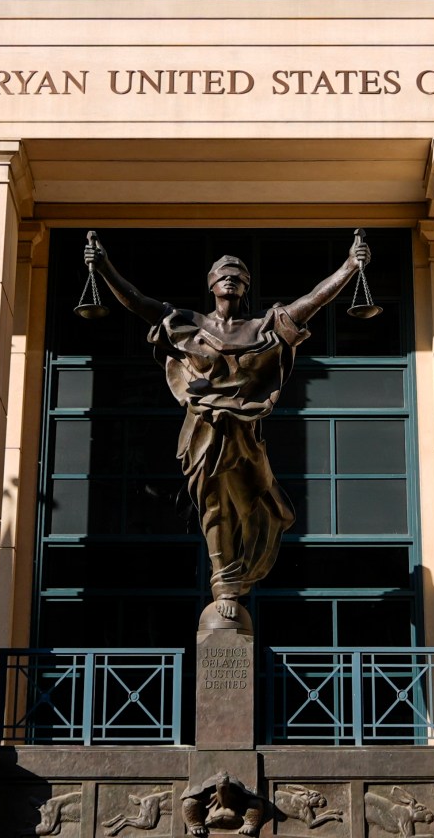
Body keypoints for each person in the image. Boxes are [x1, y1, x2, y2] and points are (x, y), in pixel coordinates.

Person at [83, 231, 370, 632]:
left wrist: (350, 267)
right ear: (211, 284)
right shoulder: (190, 325)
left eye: (238, 274)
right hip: (204, 433)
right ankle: (226, 588)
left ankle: (236, 578)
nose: (230, 278)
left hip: (245, 437)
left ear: (246, 286)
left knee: (255, 509)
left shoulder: (263, 328)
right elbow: (139, 302)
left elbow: (310, 302)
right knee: (215, 507)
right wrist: (104, 265)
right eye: (223, 273)